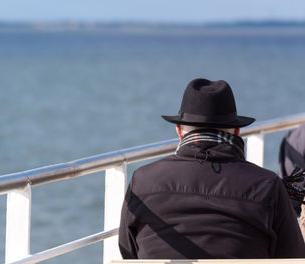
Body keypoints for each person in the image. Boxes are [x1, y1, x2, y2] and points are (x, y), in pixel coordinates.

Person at [118, 78, 305, 259]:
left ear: (178, 130)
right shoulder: (267, 186)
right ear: (238, 131)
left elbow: (128, 251)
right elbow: (293, 256)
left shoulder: (141, 181)